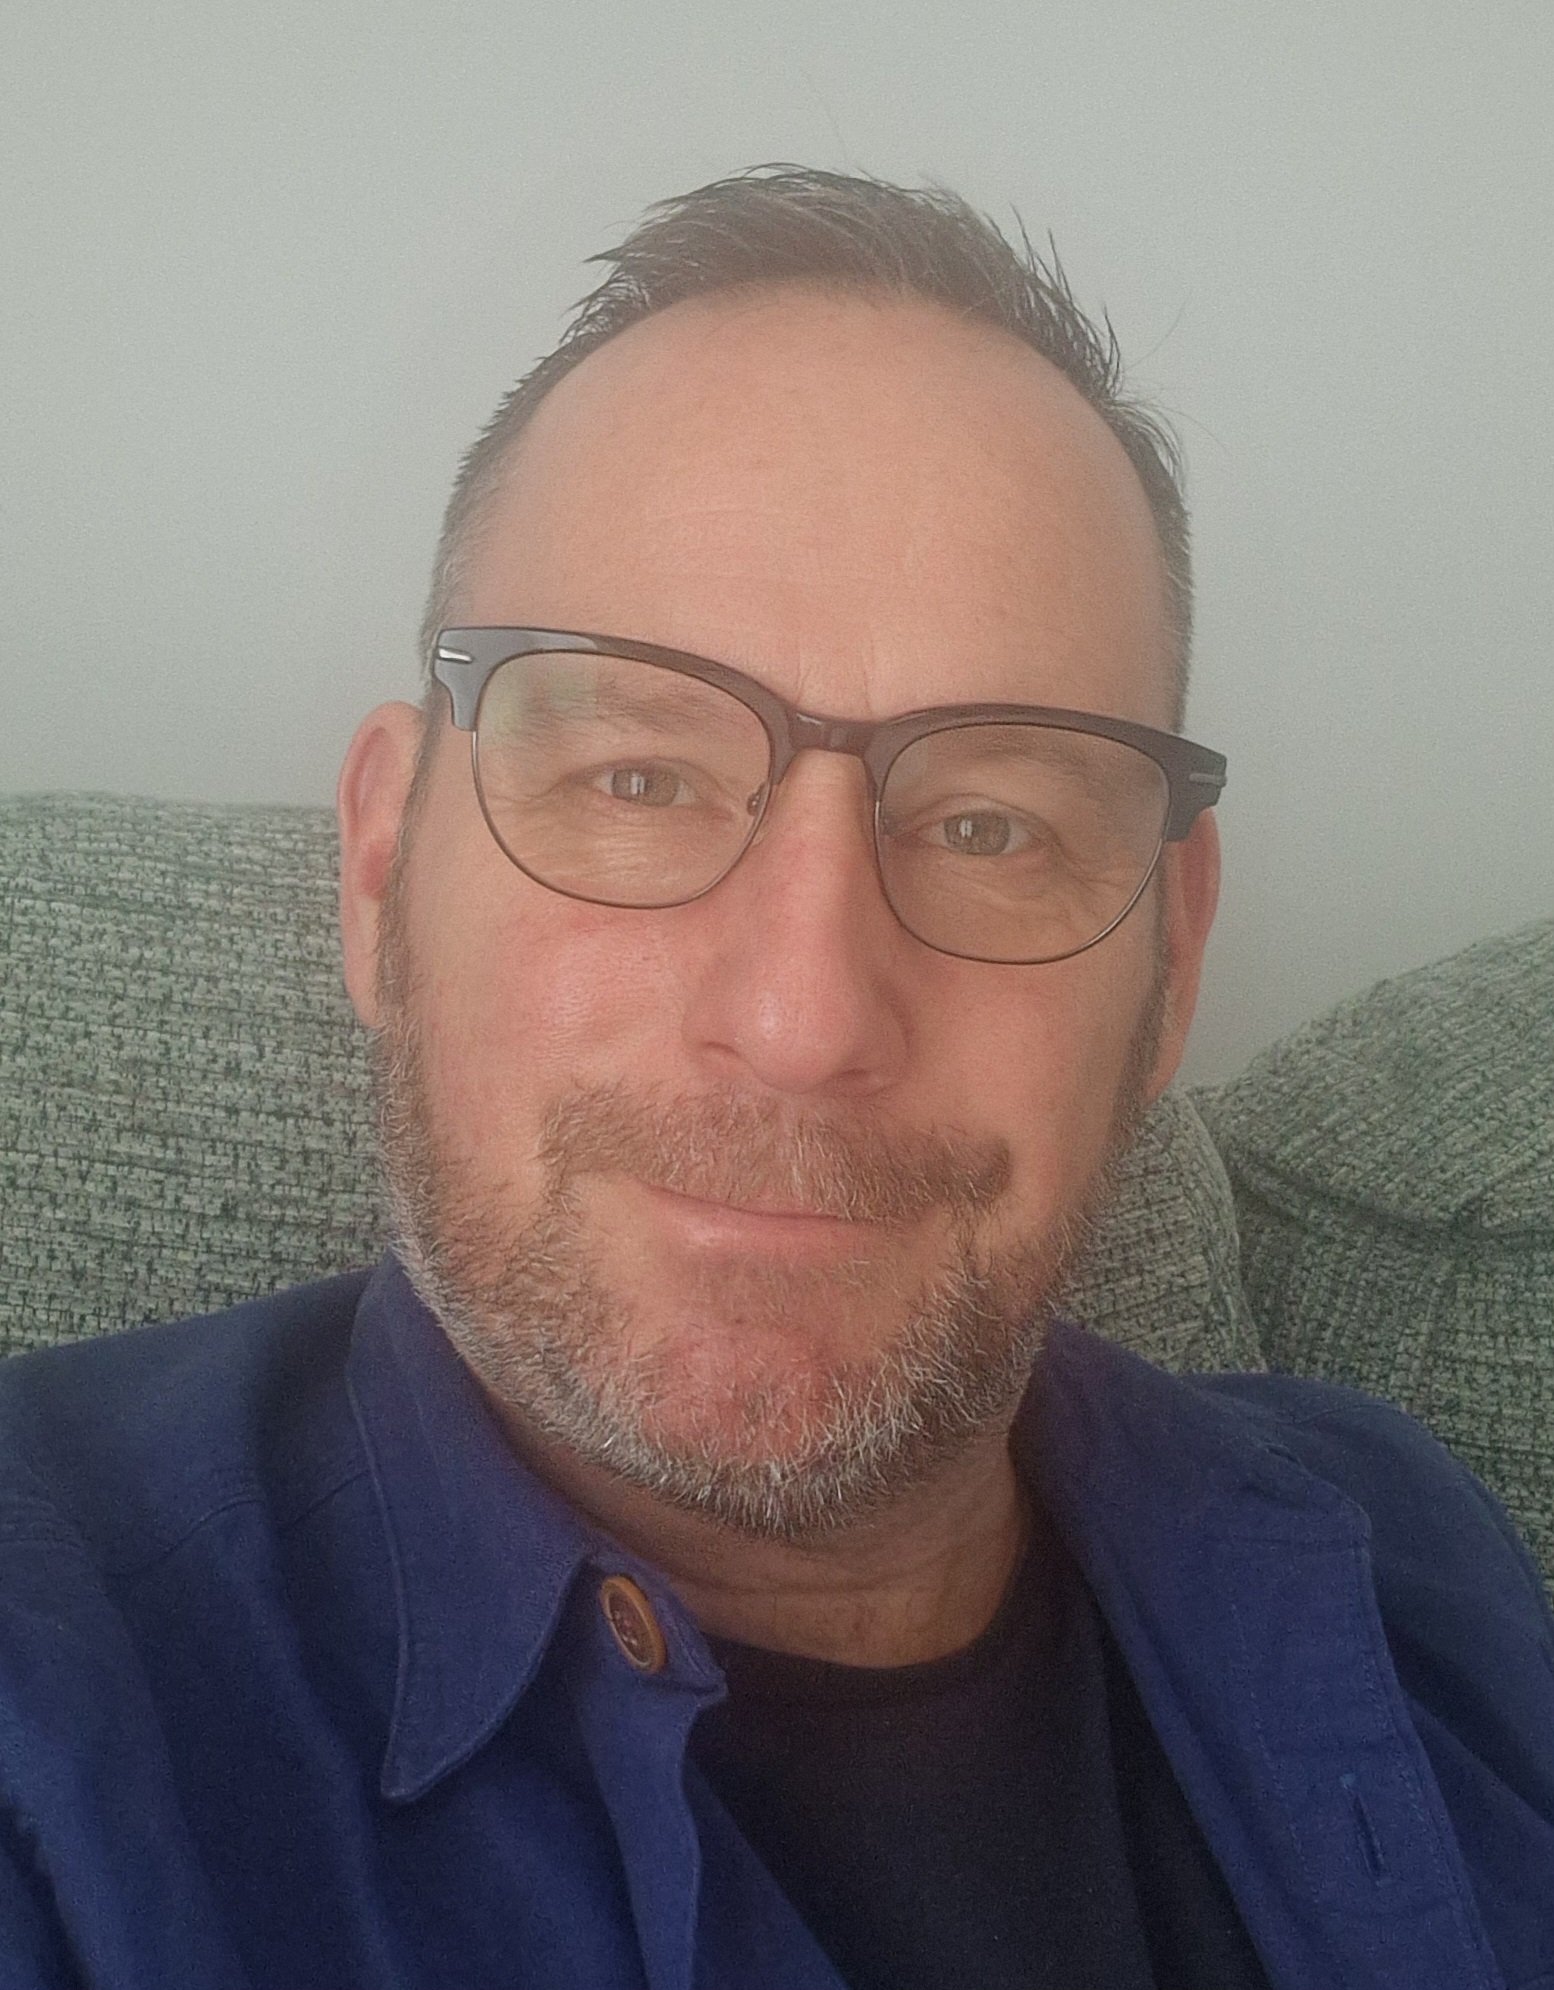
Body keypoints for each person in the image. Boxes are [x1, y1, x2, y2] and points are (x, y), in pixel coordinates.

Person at [1, 166, 1550, 1990]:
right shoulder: (53, 1685)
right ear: (376, 872)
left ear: (1172, 954)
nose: (806, 1014)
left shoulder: (1396, 1541)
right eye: (638, 781)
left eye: (988, 822)